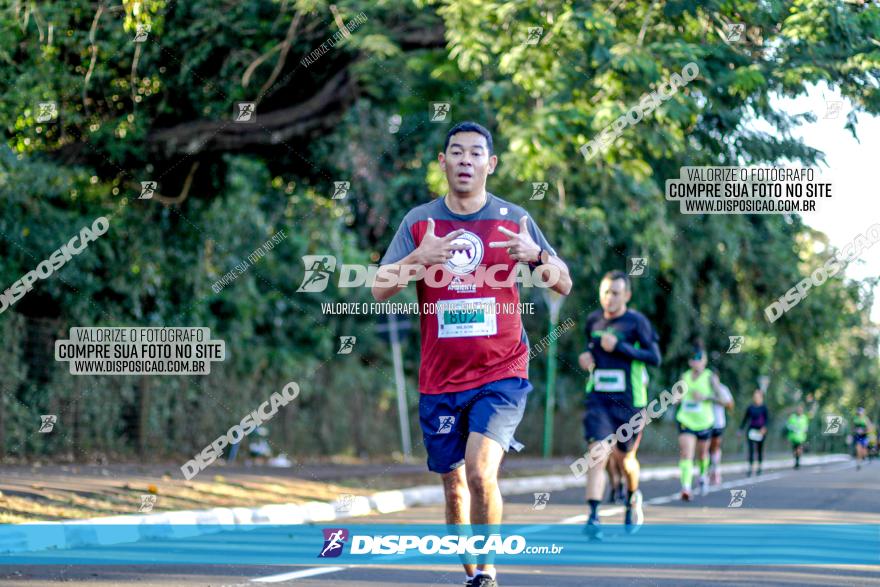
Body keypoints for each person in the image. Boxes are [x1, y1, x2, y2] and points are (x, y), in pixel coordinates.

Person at [373, 121, 571, 587]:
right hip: (440, 380)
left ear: (491, 163)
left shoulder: (513, 219)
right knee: (454, 484)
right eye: (456, 153)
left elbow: (563, 281)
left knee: (481, 472)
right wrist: (418, 259)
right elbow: (381, 287)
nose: (465, 161)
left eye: (475, 153)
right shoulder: (419, 223)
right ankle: (473, 574)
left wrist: (536, 256)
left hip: (501, 372)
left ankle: (487, 569)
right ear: (442, 163)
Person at [577, 271, 661, 536]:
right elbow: (590, 349)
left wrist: (621, 347)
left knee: (625, 461)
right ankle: (593, 518)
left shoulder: (637, 322)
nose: (609, 298)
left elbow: (655, 357)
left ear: (626, 295)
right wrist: (586, 358)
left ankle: (633, 497)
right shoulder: (593, 320)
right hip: (598, 399)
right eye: (605, 292)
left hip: (630, 402)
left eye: (615, 293)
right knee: (597, 453)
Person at [675, 344, 722, 500]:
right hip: (686, 420)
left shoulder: (710, 377)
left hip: (704, 422)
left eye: (700, 358)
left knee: (702, 455)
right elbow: (677, 396)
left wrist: (705, 397)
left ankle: (703, 477)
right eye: (694, 359)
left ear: (705, 361)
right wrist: (676, 398)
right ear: (690, 362)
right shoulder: (685, 376)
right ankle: (686, 487)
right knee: (686, 453)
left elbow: (722, 399)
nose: (697, 361)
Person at [708, 381, 734, 484]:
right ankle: (707, 472)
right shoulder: (702, 386)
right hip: (702, 422)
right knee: (704, 448)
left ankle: (716, 470)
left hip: (717, 423)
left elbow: (730, 405)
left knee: (715, 447)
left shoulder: (723, 388)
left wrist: (715, 399)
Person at [740, 390, 770, 476]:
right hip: (751, 431)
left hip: (761, 431)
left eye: (757, 396)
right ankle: (750, 467)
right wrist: (740, 429)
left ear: (761, 397)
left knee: (759, 449)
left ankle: (759, 467)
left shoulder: (764, 408)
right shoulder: (750, 408)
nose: (756, 398)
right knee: (751, 449)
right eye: (754, 396)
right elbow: (745, 419)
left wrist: (764, 428)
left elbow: (767, 420)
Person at [786, 405, 809, 469]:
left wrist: (804, 430)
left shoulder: (804, 417)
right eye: (798, 410)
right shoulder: (792, 417)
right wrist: (793, 429)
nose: (799, 411)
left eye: (800, 410)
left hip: (801, 437)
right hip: (793, 437)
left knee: (799, 449)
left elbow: (806, 427)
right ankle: (796, 461)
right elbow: (788, 425)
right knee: (794, 450)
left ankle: (797, 462)